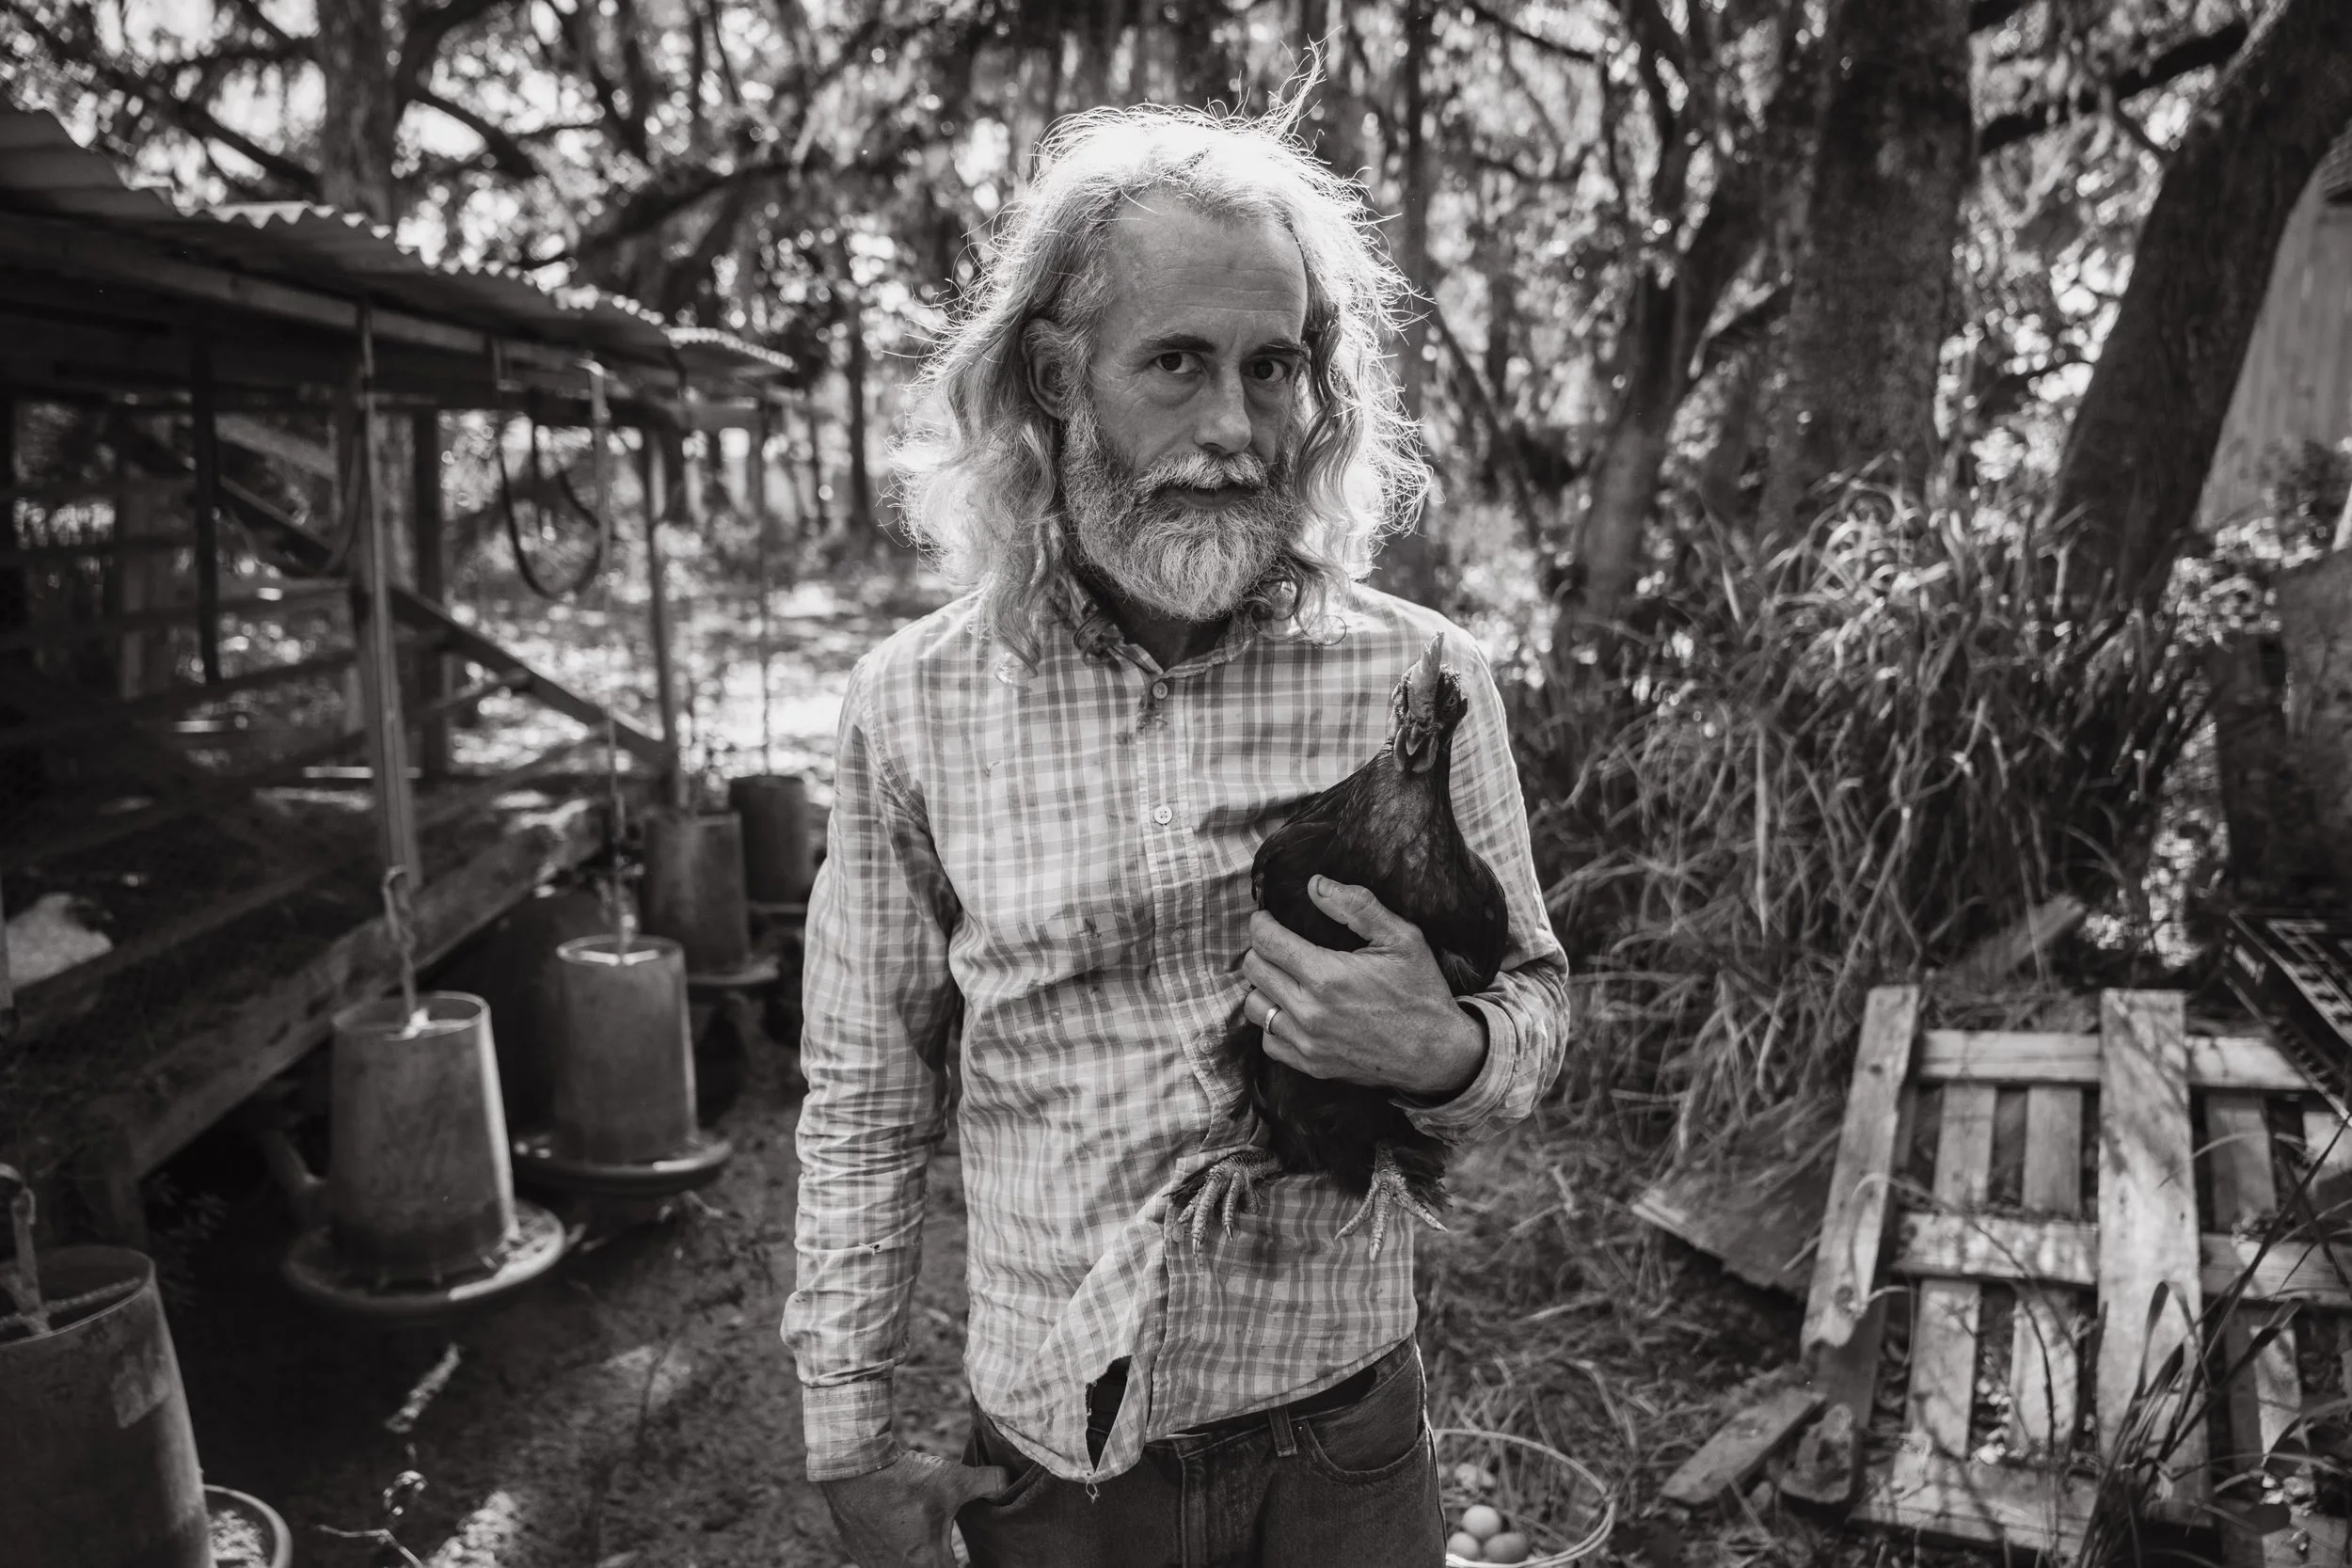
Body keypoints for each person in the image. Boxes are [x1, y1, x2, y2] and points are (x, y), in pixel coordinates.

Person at [783, 100, 1569, 1568]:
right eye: (1176, 364)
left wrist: (1444, 1049)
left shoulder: (1420, 681)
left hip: (1343, 1434)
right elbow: (866, 1097)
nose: (1232, 429)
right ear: (1052, 376)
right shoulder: (915, 707)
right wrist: (845, 1433)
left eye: (1274, 366)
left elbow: (1537, 1006)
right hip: (1061, 1458)